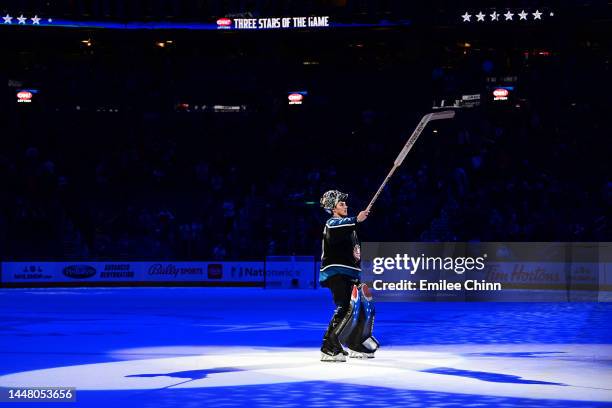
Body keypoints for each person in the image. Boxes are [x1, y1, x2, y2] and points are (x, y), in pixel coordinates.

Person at [319, 189, 370, 362]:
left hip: (350, 273)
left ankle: (355, 342)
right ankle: (328, 346)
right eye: (341, 204)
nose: (345, 206)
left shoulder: (348, 227)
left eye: (345, 203)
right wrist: (357, 219)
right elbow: (342, 225)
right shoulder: (333, 223)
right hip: (337, 273)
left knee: (360, 309)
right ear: (333, 208)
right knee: (345, 308)